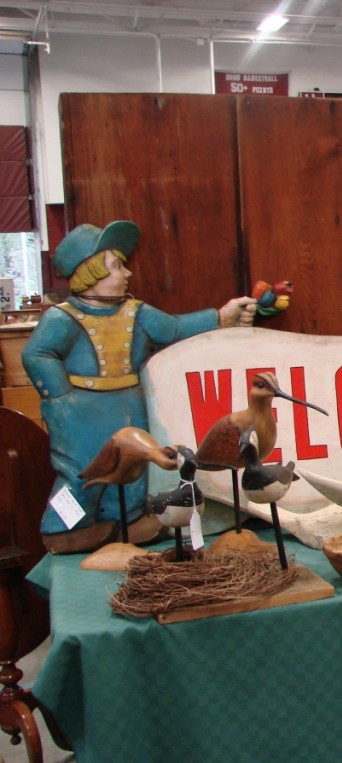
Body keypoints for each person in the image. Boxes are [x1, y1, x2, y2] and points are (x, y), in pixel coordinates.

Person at [22, 220, 257, 553]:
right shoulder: (63, 318)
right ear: (91, 274)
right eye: (118, 266)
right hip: (81, 413)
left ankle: (129, 520)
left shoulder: (137, 312)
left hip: (129, 403)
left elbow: (173, 328)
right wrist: (62, 397)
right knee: (80, 471)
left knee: (135, 465)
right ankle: (63, 528)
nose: (127, 273)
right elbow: (37, 354)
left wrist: (222, 317)